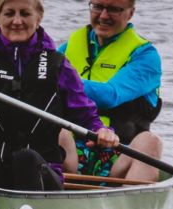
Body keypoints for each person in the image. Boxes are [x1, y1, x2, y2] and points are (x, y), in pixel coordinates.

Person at [0, 0, 119, 191]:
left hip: (40, 171)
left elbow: (85, 114)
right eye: (9, 14)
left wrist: (103, 132)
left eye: (24, 13)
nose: (17, 21)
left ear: (38, 18)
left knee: (25, 158)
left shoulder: (57, 65)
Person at [57, 0, 163, 182]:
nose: (104, 16)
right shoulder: (67, 48)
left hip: (119, 157)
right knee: (54, 129)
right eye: (98, 7)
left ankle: (130, 204)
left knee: (150, 142)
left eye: (113, 9)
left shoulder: (145, 57)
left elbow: (110, 96)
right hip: (70, 155)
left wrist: (60, 79)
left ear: (130, 13)